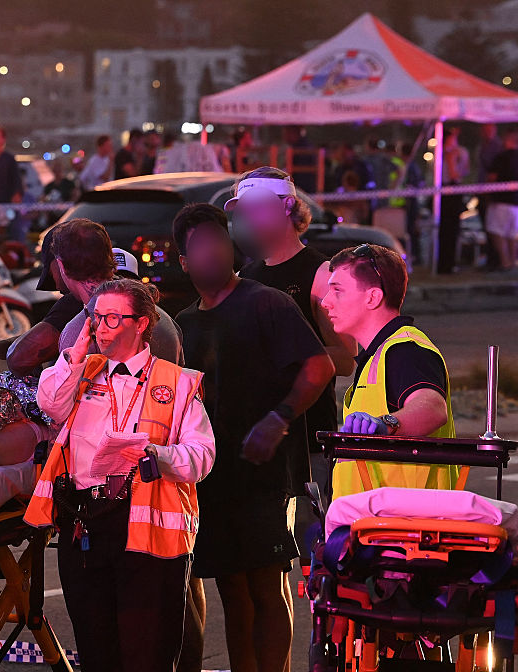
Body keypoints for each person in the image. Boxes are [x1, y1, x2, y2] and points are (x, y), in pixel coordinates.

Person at [173, 203, 334, 672]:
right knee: (232, 593)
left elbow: (319, 365)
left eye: (218, 239)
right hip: (213, 478)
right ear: (184, 260)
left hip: (265, 474)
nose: (212, 250)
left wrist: (279, 417)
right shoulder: (184, 324)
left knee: (266, 587)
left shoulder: (266, 302)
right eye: (199, 244)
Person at [26, 278, 216, 672]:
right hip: (85, 524)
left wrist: (155, 455)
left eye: (113, 318)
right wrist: (75, 352)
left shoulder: (176, 382)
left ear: (142, 323)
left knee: (148, 652)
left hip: (145, 534)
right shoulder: (82, 371)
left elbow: (202, 457)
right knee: (96, 649)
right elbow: (49, 404)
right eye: (95, 318)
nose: (101, 327)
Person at [229, 167, 355, 503]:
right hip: (259, 438)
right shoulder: (246, 274)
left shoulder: (320, 273)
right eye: (243, 211)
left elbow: (346, 358)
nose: (247, 220)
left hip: (309, 436)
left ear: (287, 206)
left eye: (257, 208)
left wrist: (286, 357)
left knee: (309, 540)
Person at [321, 243, 457, 499]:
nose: (326, 302)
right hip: (381, 524)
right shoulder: (380, 354)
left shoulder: (405, 349)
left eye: (337, 291)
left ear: (372, 297)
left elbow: (432, 408)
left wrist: (386, 425)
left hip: (405, 528)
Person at [53, 218, 184, 365]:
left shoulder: (76, 336)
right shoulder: (166, 322)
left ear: (61, 265)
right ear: (110, 257)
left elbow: (69, 387)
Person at [0, 225, 83, 378]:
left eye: (51, 271)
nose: (57, 286)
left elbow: (21, 358)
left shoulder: (75, 302)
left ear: (60, 265)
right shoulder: (114, 290)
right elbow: (37, 339)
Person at [438, 126, 470, 274]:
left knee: (450, 231)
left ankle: (448, 264)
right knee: (446, 230)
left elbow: (460, 174)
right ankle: (445, 264)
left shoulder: (458, 153)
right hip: (446, 194)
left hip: (451, 194)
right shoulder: (442, 154)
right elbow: (452, 175)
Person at [485, 128, 518, 271]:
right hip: (515, 204)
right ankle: (513, 262)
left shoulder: (501, 157)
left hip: (501, 202)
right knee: (512, 235)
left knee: (498, 233)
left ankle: (505, 263)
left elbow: (492, 178)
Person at [478, 124, 505, 270]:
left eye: (489, 129)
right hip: (483, 190)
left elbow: (492, 170)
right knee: (488, 228)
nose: (486, 132)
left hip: (489, 193)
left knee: (493, 228)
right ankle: (492, 259)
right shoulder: (484, 145)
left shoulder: (495, 147)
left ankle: (495, 260)